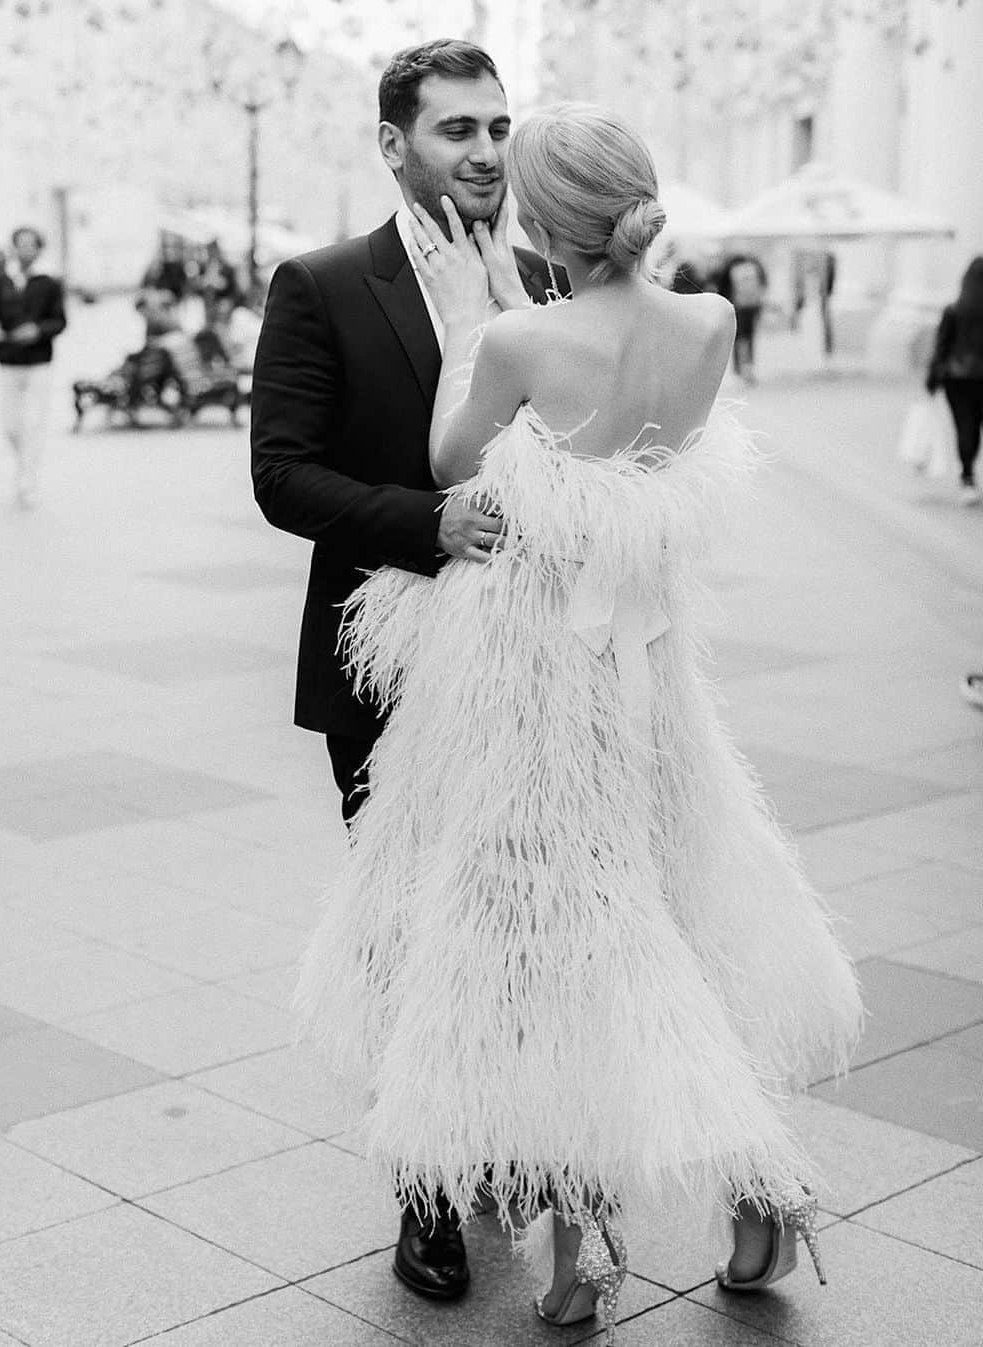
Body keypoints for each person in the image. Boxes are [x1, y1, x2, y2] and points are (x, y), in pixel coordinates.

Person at [292, 102, 863, 1345]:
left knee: (547, 939)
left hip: (529, 684)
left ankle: (585, 1218)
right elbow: (649, 463)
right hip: (650, 676)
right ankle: (760, 1188)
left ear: (545, 219)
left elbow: (453, 465)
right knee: (670, 910)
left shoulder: (514, 337)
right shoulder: (708, 323)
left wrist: (474, 324)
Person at [251, 38, 559, 1306]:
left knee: (515, 914)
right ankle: (428, 1191)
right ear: (396, 145)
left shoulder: (548, 276)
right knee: (404, 925)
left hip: (540, 664)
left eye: (498, 127)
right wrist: (421, 521)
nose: (487, 152)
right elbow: (282, 475)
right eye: (456, 132)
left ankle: (504, 1131)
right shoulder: (324, 283)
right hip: (384, 662)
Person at [0, 226, 67, 508]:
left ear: (38, 249)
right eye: (20, 244)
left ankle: (28, 479)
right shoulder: (1, 281)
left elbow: (59, 321)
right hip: (8, 360)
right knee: (10, 425)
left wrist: (38, 330)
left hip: (38, 361)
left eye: (30, 245)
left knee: (34, 423)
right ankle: (24, 462)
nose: (25, 250)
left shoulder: (49, 282)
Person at [926, 255, 983, 506]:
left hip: (957, 379)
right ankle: (969, 476)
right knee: (975, 426)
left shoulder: (954, 310)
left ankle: (968, 477)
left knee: (965, 426)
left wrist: (932, 378)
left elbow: (941, 347)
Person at [718, 250, 767, 382]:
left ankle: (739, 368)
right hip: (752, 305)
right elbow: (764, 283)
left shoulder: (733, 269)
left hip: (738, 306)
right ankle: (749, 366)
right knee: (749, 337)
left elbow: (723, 288)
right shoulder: (754, 268)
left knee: (739, 337)